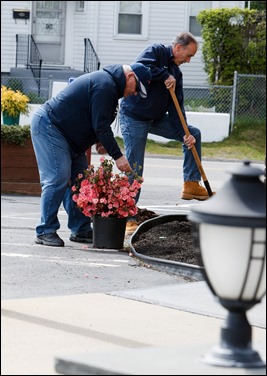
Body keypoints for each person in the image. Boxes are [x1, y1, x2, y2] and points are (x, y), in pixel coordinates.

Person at [30, 63, 152, 247]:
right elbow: (101, 126)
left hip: (70, 137)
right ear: (129, 77)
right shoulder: (105, 85)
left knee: (83, 182)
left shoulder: (109, 86)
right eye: (137, 88)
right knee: (57, 177)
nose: (135, 93)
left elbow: (93, 116)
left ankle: (80, 229)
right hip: (51, 127)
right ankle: (45, 230)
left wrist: (99, 141)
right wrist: (118, 156)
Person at [119, 32, 214, 235]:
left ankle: (191, 183)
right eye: (188, 55)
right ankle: (127, 215)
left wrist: (184, 133)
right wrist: (164, 76)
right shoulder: (156, 52)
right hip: (134, 117)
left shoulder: (177, 74)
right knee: (135, 166)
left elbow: (177, 107)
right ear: (178, 48)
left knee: (193, 133)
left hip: (156, 118)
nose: (188, 61)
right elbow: (139, 67)